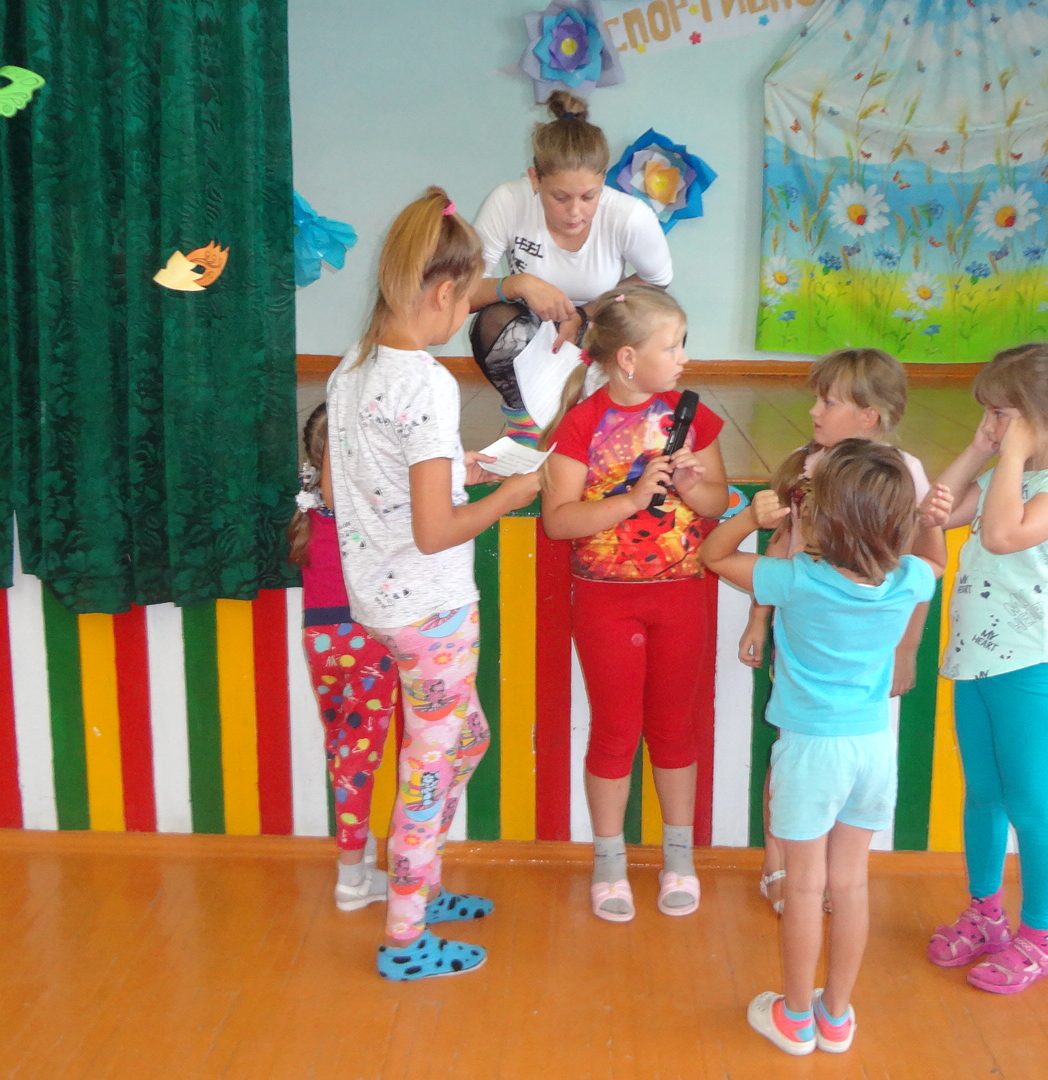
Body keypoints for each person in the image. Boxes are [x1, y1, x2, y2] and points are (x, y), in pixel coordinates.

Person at [324, 187, 543, 980]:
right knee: (428, 768)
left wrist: (463, 466)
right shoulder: (426, 382)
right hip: (433, 610)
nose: (467, 317)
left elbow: (352, 482)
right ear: (444, 291)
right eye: (469, 299)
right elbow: (434, 531)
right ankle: (406, 936)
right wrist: (511, 495)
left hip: (382, 604)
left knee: (462, 741)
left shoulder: (353, 369)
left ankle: (419, 881)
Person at [701, 442, 948, 1056]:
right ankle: (835, 1016)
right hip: (873, 747)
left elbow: (713, 555)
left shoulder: (793, 580)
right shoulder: (909, 578)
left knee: (807, 888)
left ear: (821, 517)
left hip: (812, 753)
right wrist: (931, 524)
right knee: (852, 885)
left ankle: (794, 1017)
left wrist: (751, 518)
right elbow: (935, 562)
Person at [540, 285, 726, 922]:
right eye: (671, 346)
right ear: (626, 359)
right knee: (615, 730)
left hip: (681, 594)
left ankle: (679, 858)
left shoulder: (692, 415)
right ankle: (609, 861)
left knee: (675, 728)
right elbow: (559, 522)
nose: (683, 358)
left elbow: (717, 503)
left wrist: (694, 487)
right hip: (605, 601)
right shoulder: (581, 423)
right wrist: (632, 497)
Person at [925, 342, 1048, 994]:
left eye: (1001, 414)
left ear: (1045, 416)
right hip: (978, 662)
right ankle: (985, 914)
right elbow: (936, 510)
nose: (992, 426)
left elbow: (1001, 536)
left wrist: (1011, 457)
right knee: (985, 795)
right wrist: (981, 447)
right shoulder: (1012, 476)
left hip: (1035, 667)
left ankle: (1039, 935)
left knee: (1030, 804)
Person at [735, 349, 934, 915]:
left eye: (828, 401)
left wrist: (906, 648)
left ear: (869, 416)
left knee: (834, 768)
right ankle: (781, 864)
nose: (814, 410)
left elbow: (916, 570)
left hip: (862, 652)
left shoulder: (903, 473)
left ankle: (823, 873)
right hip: (807, 636)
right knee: (792, 755)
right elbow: (780, 546)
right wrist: (758, 618)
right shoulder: (806, 464)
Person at [468, 90, 674, 446]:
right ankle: (527, 420)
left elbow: (657, 280)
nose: (575, 211)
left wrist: (584, 313)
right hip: (532, 327)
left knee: (653, 322)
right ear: (535, 179)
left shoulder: (629, 215)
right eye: (560, 197)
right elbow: (464, 292)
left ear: (603, 181)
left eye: (588, 196)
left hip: (596, 324)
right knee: (493, 320)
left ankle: (597, 414)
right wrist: (518, 283)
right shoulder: (508, 201)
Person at [286, 404, 399, 912]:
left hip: (321, 641)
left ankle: (361, 860)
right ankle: (352, 878)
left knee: (343, 749)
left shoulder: (310, 512)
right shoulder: (368, 517)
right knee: (358, 760)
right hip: (367, 642)